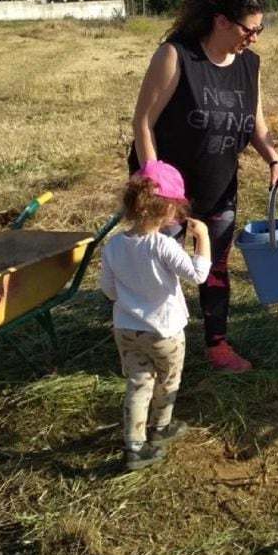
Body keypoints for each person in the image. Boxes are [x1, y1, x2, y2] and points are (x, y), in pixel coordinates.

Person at [130, 0, 278, 372]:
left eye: (260, 29)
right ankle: (151, 346)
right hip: (165, 190)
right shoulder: (177, 55)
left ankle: (217, 344)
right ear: (220, 21)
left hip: (218, 186)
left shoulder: (249, 65)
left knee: (214, 265)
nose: (254, 37)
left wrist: (274, 159)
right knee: (158, 269)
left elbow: (256, 125)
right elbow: (143, 122)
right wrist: (153, 182)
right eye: (248, 29)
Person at [100, 161, 211, 471]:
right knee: (168, 380)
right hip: (165, 331)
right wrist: (203, 238)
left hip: (126, 329)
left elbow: (108, 290)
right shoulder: (163, 245)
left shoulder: (113, 245)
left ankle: (134, 446)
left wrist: (131, 300)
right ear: (168, 210)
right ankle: (161, 427)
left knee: (138, 383)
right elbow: (198, 275)